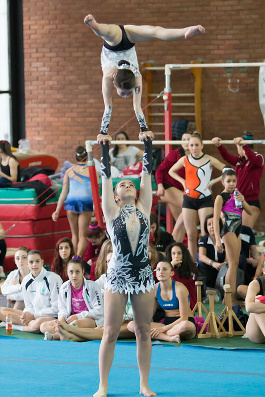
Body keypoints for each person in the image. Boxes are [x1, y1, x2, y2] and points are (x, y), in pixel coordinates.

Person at [94, 130, 156, 397]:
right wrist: (105, 151)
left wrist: (147, 143)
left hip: (143, 274)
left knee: (143, 331)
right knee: (110, 332)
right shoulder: (111, 212)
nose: (128, 185)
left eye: (131, 184)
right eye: (123, 185)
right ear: (116, 197)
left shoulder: (144, 209)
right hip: (117, 275)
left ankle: (143, 384)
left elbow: (147, 174)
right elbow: (106, 178)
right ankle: (103, 385)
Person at [84, 14, 205, 135]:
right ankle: (96, 27)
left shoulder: (127, 77)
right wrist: (143, 130)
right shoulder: (129, 77)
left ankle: (96, 27)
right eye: (128, 92)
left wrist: (104, 132)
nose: (126, 96)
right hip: (122, 41)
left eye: (125, 93)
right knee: (152, 31)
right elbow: (130, 108)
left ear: (114, 82)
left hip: (121, 42)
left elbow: (113, 108)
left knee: (153, 31)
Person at [168, 132, 225, 261]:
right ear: (188, 146)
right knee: (191, 235)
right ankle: (194, 264)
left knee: (206, 234)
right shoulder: (184, 160)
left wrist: (213, 181)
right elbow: (171, 171)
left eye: (196, 145)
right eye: (191, 145)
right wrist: (182, 181)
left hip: (205, 200)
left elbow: (227, 170)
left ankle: (207, 261)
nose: (194, 148)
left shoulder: (209, 159)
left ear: (202, 145)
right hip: (188, 200)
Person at [128, 261, 196, 343]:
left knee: (186, 326)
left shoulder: (180, 288)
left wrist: (161, 329)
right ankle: (169, 338)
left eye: (164, 269)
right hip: (166, 323)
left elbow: (184, 318)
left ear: (172, 273)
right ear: (156, 273)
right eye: (158, 269)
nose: (161, 272)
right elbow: (150, 315)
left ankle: (161, 335)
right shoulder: (154, 289)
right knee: (131, 325)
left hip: (182, 323)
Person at [213, 167, 252, 305]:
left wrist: (243, 200)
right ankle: (230, 298)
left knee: (235, 265)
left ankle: (229, 298)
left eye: (234, 181)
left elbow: (250, 212)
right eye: (228, 181)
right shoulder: (220, 197)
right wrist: (218, 239)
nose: (231, 183)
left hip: (237, 232)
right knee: (232, 264)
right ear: (223, 182)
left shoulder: (237, 195)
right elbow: (215, 220)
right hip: (228, 231)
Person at [40, 258, 104, 341]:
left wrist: (78, 316)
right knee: (43, 326)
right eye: (71, 272)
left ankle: (56, 336)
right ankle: (63, 334)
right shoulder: (64, 287)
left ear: (83, 272)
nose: (74, 275)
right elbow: (62, 308)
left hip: (89, 319)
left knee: (75, 324)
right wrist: (62, 319)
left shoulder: (92, 286)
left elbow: (98, 311)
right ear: (67, 272)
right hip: (69, 321)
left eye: (77, 272)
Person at [0, 250, 62, 332]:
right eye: (31, 262)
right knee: (1, 311)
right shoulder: (26, 280)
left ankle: (15, 326)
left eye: (37, 261)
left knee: (37, 324)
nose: (34, 265)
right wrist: (27, 315)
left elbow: (56, 308)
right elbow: (28, 305)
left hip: (50, 316)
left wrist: (34, 315)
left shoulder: (53, 279)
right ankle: (29, 325)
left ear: (42, 262)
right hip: (33, 316)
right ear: (27, 264)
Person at [212, 133, 264, 229]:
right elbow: (227, 157)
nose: (237, 150)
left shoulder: (258, 158)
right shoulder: (240, 161)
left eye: (237, 147)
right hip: (238, 201)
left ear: (242, 147)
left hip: (251, 202)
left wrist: (243, 145)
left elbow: (252, 159)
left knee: (244, 231)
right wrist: (219, 146)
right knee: (236, 231)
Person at [52, 146, 95, 257]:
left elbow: (63, 192)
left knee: (74, 235)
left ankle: (73, 259)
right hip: (85, 204)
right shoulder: (92, 170)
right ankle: (77, 259)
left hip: (71, 203)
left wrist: (57, 210)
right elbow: (95, 192)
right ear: (87, 157)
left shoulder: (69, 171)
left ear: (76, 157)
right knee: (82, 235)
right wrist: (95, 207)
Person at [155, 132, 191, 242]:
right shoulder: (174, 154)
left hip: (180, 190)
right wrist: (160, 186)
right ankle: (172, 241)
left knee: (184, 222)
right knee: (189, 205)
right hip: (166, 188)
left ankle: (175, 247)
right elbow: (159, 170)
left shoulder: (196, 157)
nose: (186, 142)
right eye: (183, 139)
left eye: (188, 139)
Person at [198, 214, 226, 296]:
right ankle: (204, 292)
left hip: (222, 268)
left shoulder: (225, 237)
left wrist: (223, 265)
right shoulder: (204, 239)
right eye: (209, 224)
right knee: (202, 265)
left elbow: (228, 257)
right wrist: (213, 263)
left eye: (214, 223)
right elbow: (201, 256)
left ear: (219, 225)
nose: (211, 227)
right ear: (206, 227)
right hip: (210, 267)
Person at [165, 242, 197, 309]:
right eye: (173, 253)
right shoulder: (169, 266)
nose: (176, 256)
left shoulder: (190, 268)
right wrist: (170, 266)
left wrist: (170, 266)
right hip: (171, 301)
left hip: (188, 303)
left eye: (179, 253)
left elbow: (177, 284)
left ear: (184, 255)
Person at [245, 257, 265, 343]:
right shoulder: (256, 283)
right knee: (258, 300)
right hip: (257, 332)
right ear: (263, 271)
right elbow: (249, 307)